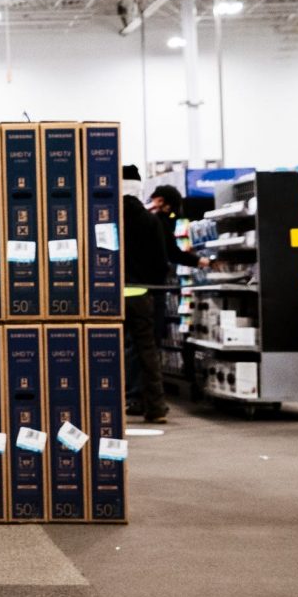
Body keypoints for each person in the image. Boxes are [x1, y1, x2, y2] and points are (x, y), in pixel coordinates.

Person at [120, 170, 185, 423]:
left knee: (107, 350)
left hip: (107, 296)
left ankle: (105, 405)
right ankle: (156, 407)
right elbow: (161, 262)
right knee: (146, 350)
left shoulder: (104, 216)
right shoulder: (151, 221)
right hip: (142, 294)